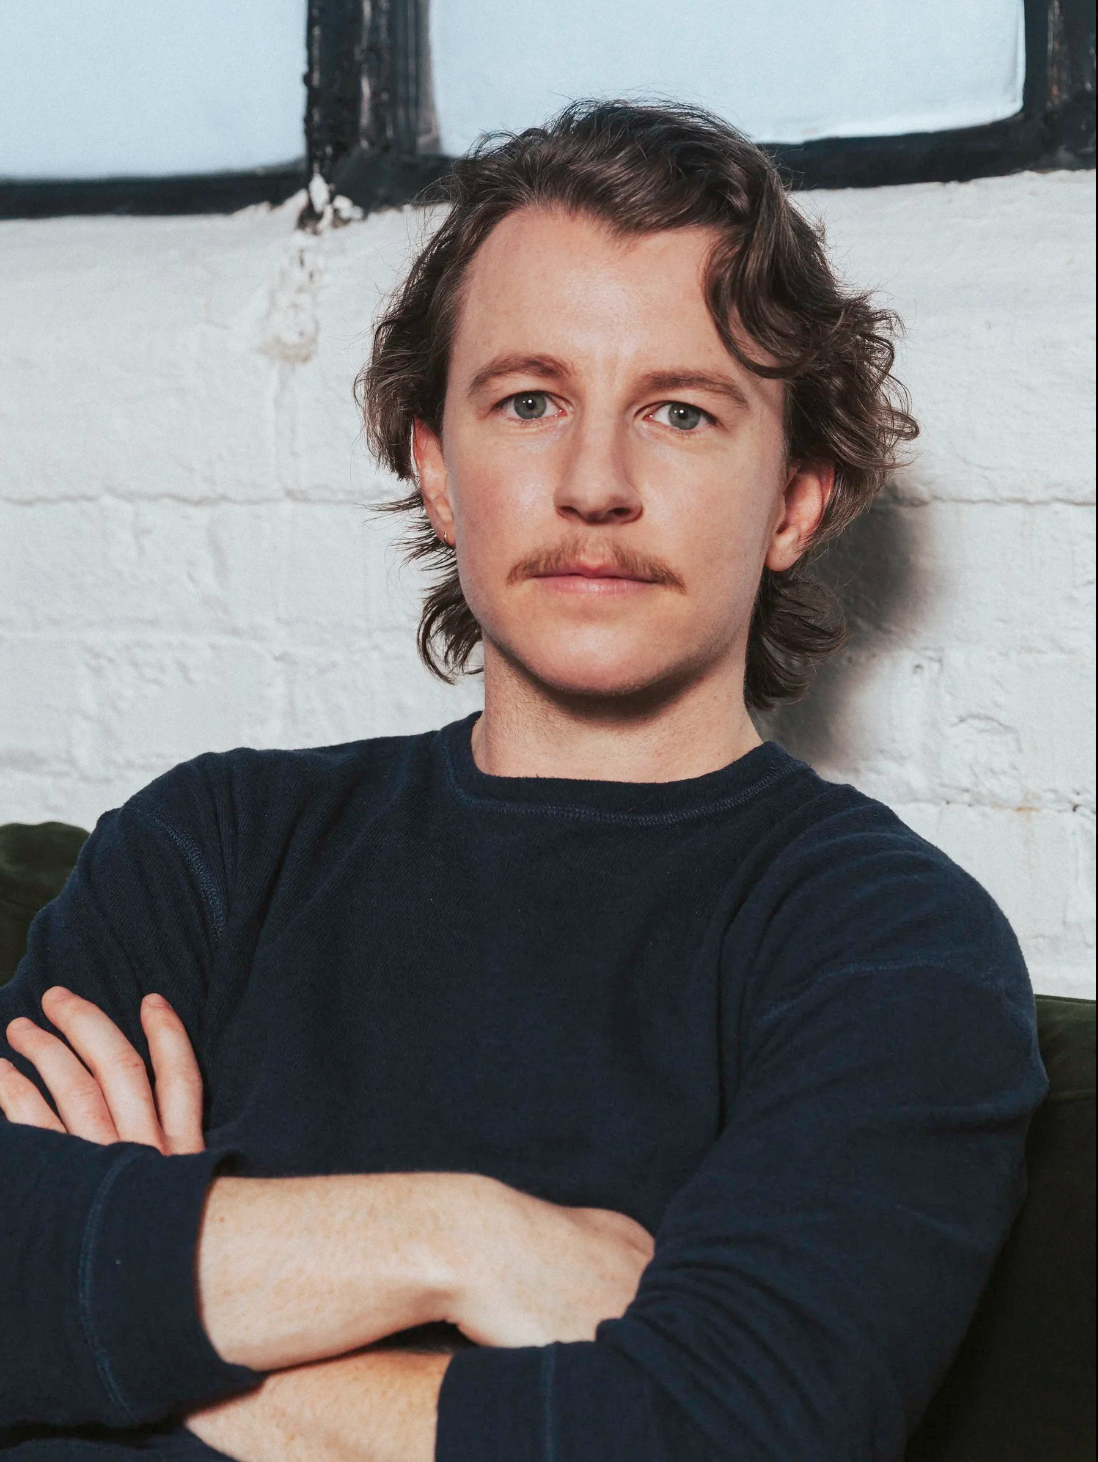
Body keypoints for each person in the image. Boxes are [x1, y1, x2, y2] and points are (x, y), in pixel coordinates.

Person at [0, 101, 1046, 1462]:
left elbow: (725, 1432)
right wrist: (457, 1238)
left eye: (680, 411)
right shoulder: (215, 842)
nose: (594, 483)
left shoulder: (887, 942)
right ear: (438, 470)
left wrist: (149, 1326)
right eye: (529, 401)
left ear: (794, 500)